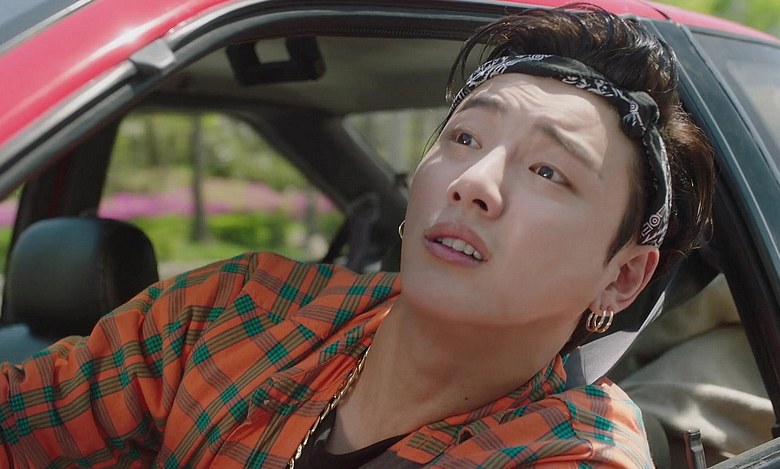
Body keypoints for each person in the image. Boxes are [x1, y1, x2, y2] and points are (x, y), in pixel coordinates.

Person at [0, 5, 713, 468]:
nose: (474, 182)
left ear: (622, 276)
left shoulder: (574, 454)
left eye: (549, 171)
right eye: (465, 137)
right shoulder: (236, 308)